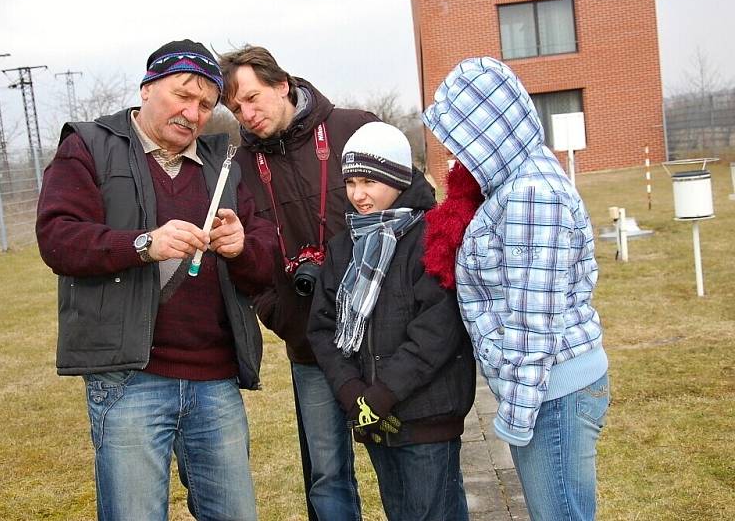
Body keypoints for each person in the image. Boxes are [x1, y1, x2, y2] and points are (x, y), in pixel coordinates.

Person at [36, 39, 276, 521]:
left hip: (215, 378)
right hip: (130, 378)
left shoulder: (223, 164)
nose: (193, 113)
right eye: (182, 95)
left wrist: (241, 245)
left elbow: (267, 255)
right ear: (147, 88)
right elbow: (58, 237)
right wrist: (142, 244)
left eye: (206, 105)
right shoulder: (89, 146)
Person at [422, 56, 610, 521]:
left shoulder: (531, 193)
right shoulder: (518, 180)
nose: (455, 155)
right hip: (551, 386)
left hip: (552, 391)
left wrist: (518, 410)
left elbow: (534, 319)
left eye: (460, 138)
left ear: (487, 131)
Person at [218, 45, 378, 521]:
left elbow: (416, 216)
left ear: (282, 84)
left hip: (380, 336)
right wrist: (278, 312)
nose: (248, 115)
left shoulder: (355, 129)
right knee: (327, 474)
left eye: (253, 97)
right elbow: (242, 255)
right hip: (308, 341)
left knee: (404, 461)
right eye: (236, 109)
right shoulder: (239, 167)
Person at [307, 122, 477, 521]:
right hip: (373, 416)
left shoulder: (431, 237)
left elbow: (437, 330)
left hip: (427, 417)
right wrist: (352, 391)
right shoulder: (344, 244)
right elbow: (322, 325)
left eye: (369, 181)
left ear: (398, 179)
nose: (358, 194)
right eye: (350, 182)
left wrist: (385, 391)